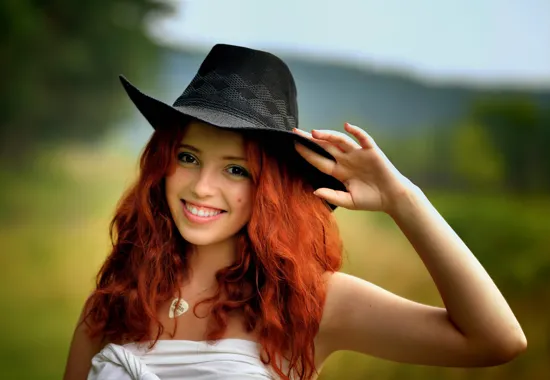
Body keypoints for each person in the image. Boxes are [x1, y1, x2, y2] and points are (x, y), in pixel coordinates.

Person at [63, 44, 526, 380]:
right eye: (187, 158)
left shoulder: (311, 304)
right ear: (162, 166)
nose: (202, 187)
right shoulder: (115, 299)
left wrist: (403, 199)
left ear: (270, 188)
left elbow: (495, 340)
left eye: (236, 169)